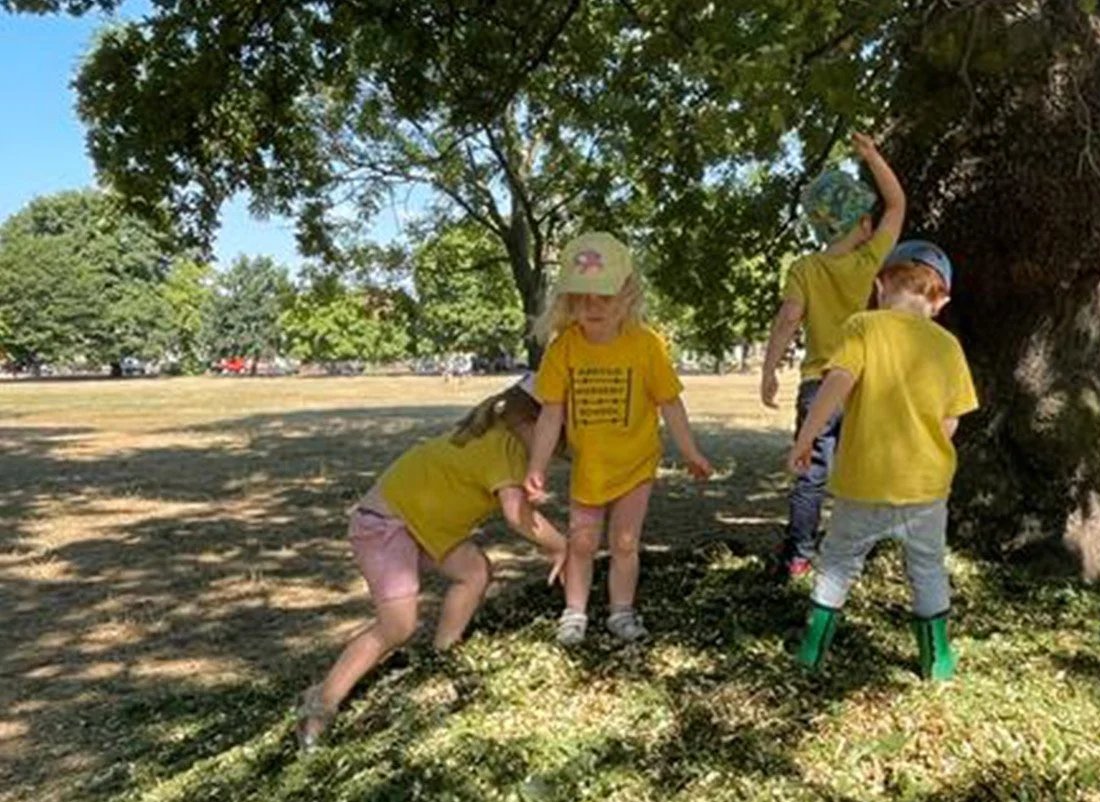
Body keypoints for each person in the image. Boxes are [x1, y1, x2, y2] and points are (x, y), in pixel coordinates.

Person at [295, 377, 568, 750]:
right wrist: (560, 546)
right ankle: (320, 704)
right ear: (531, 421)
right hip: (386, 524)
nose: (555, 450)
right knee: (398, 626)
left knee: (474, 571)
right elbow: (516, 513)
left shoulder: (509, 440)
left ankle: (441, 658)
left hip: (420, 524)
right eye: (556, 435)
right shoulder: (504, 444)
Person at [788, 240, 978, 679]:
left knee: (837, 564)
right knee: (928, 569)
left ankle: (812, 653)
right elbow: (951, 422)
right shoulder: (948, 347)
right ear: (941, 299)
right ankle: (939, 664)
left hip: (863, 483)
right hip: (926, 489)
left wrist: (806, 437)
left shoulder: (863, 327)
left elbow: (836, 382)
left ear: (879, 286)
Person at [524, 232, 713, 647]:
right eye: (582, 297)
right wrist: (536, 466)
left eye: (603, 298)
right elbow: (551, 413)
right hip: (589, 466)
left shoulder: (646, 345)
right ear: (569, 299)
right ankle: (575, 613)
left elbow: (671, 404)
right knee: (582, 541)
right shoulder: (563, 349)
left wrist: (691, 451)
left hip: (635, 463)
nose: (592, 308)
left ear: (626, 296)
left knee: (625, 542)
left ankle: (621, 612)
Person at [759, 132, 907, 579]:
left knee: (810, 473)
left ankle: (800, 555)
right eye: (868, 217)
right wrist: (873, 157)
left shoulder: (805, 269)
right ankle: (853, 555)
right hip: (866, 386)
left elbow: (788, 319)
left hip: (817, 385)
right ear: (862, 221)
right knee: (861, 474)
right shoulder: (870, 261)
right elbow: (897, 206)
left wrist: (769, 370)